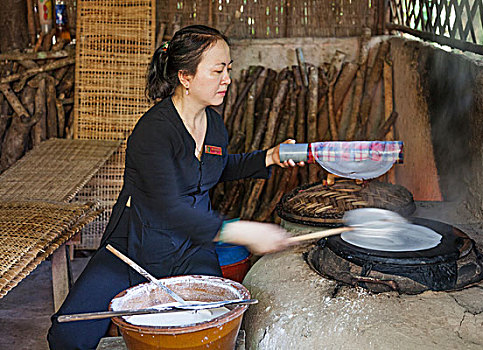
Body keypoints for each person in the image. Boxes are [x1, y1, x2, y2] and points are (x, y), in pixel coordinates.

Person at [47, 25, 302, 349]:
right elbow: (170, 209)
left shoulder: (214, 126)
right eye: (217, 70)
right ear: (185, 77)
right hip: (135, 247)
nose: (227, 79)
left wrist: (267, 157)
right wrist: (243, 232)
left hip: (191, 250)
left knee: (209, 325)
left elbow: (212, 169)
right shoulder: (153, 132)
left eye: (229, 70)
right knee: (68, 336)